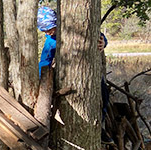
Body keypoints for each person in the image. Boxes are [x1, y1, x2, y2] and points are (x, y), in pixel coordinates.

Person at [37, 6, 112, 144]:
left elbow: (99, 35)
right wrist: (43, 80)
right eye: (45, 30)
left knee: (104, 97)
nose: (48, 32)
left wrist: (104, 42)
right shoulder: (50, 42)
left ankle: (100, 127)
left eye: (50, 28)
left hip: (93, 75)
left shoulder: (74, 25)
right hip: (67, 78)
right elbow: (44, 62)